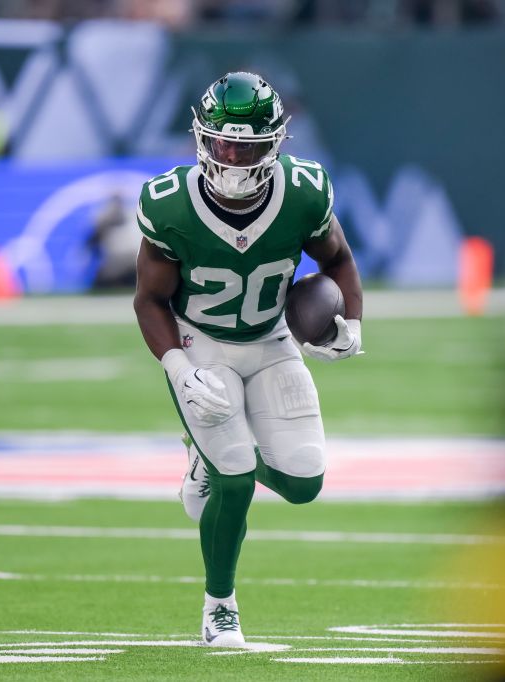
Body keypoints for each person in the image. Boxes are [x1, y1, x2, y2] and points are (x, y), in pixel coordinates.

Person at [132, 72, 362, 647]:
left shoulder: (304, 192)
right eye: (223, 144)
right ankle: (220, 607)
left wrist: (352, 323)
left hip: (270, 338)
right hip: (199, 343)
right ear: (201, 138)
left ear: (276, 143)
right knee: (234, 478)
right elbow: (149, 299)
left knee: (304, 482)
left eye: (249, 147)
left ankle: (205, 458)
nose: (233, 160)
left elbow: (338, 260)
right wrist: (180, 370)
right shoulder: (170, 203)